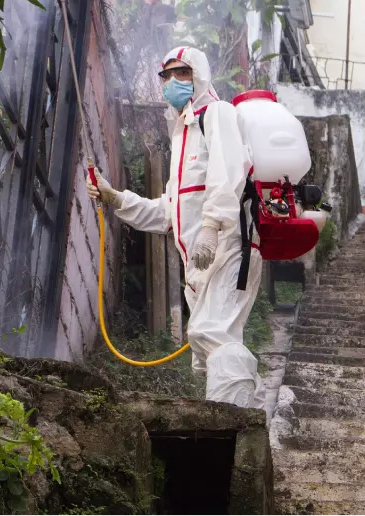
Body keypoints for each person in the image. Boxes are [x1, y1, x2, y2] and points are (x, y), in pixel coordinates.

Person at [87, 46, 265, 410]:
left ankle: (233, 426)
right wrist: (116, 198)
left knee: (212, 333)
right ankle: (242, 418)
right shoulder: (181, 136)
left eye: (181, 73)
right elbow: (167, 212)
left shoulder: (217, 114)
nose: (172, 82)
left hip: (231, 246)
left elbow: (228, 174)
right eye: (166, 76)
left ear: (198, 75)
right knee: (205, 352)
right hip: (197, 262)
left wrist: (212, 227)